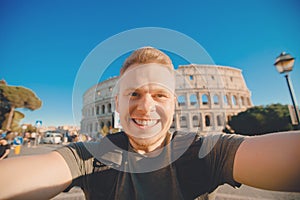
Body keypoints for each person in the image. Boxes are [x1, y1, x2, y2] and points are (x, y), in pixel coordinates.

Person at [0, 47, 299, 200]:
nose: (146, 107)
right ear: (116, 103)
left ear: (174, 104)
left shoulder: (204, 150)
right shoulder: (89, 157)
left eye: (160, 94)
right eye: (133, 94)